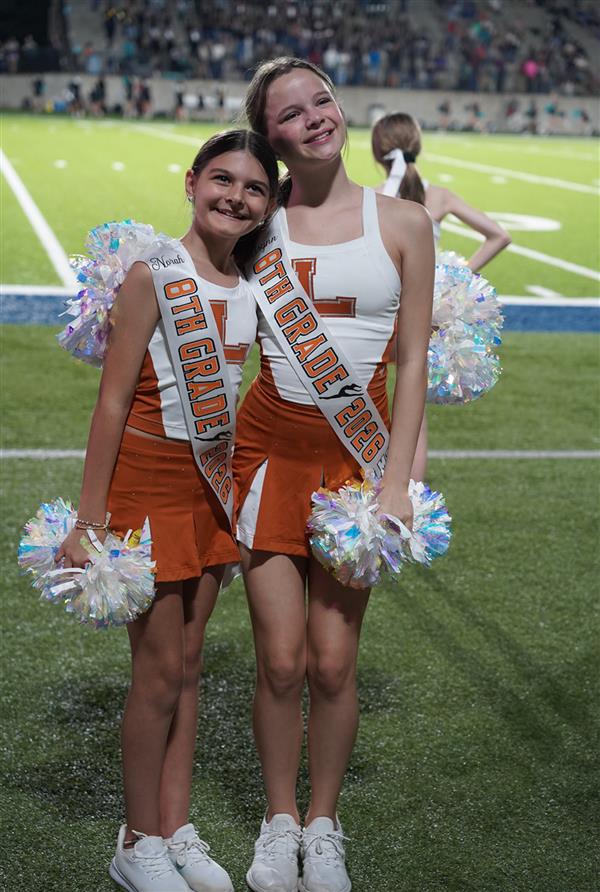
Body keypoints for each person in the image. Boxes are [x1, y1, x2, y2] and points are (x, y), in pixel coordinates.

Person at [55, 129, 278, 892]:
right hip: (146, 488)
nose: (235, 197)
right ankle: (136, 839)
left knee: (187, 667)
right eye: (222, 179)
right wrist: (90, 520)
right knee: (155, 674)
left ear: (268, 205)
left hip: (210, 493)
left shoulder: (252, 287)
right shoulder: (153, 274)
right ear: (191, 182)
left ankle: (175, 827)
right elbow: (113, 401)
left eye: (254, 188)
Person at [234, 58, 435, 892]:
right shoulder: (253, 223)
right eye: (292, 112)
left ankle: (324, 825)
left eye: (322, 100)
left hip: (358, 464)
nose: (315, 117)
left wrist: (398, 480)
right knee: (281, 661)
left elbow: (414, 360)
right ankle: (279, 822)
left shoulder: (405, 222)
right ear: (269, 136)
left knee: (332, 663)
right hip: (266, 458)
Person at [371, 112, 511, 480]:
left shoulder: (373, 198)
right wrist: (454, 279)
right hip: (423, 314)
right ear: (416, 146)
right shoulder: (439, 196)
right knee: (413, 416)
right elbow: (499, 235)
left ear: (377, 152)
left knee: (367, 399)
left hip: (381, 312)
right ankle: (410, 495)